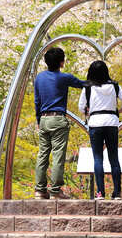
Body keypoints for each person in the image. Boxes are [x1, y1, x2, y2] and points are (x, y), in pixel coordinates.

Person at [34, 47, 85, 200]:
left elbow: (37, 101)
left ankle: (39, 190)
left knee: (42, 155)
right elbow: (83, 84)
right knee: (58, 156)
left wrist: (39, 121)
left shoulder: (39, 78)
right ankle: (55, 191)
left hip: (43, 119)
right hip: (58, 119)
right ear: (61, 62)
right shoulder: (64, 77)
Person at [78, 60, 122, 200]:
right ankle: (117, 193)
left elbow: (81, 107)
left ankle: (100, 192)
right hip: (112, 122)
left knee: (97, 158)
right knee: (114, 157)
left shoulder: (88, 87)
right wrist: (118, 110)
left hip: (95, 122)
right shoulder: (114, 86)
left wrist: (88, 112)